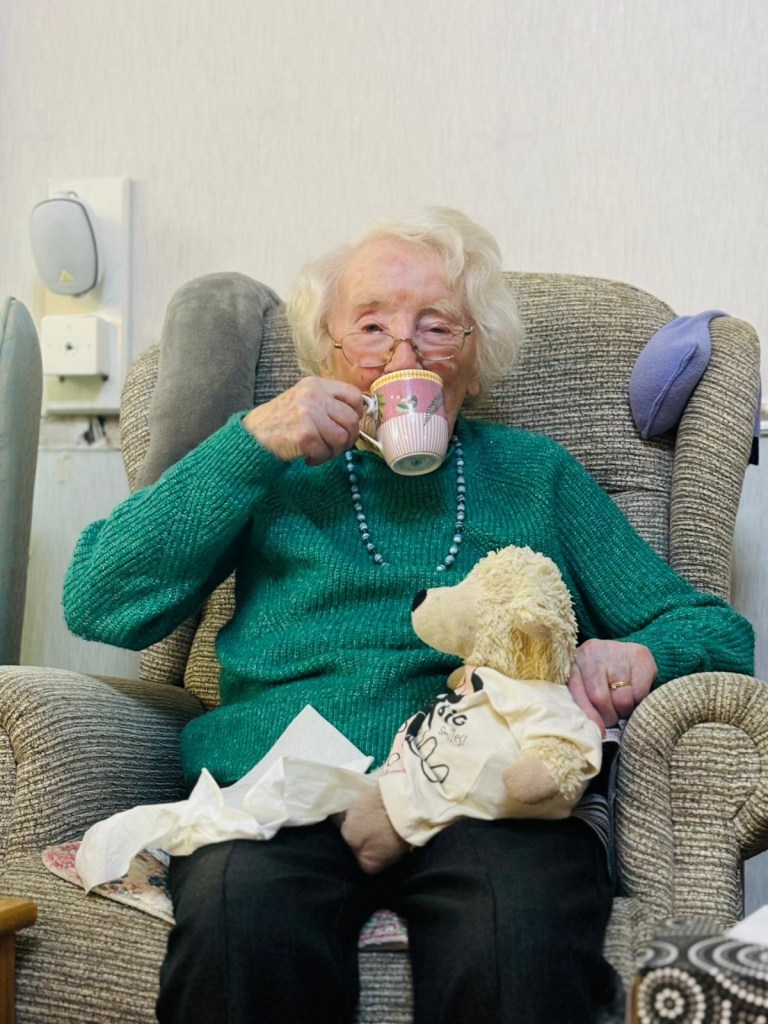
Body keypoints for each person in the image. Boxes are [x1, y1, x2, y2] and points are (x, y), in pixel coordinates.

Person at [63, 207, 754, 1024]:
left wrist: (641, 656)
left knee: (512, 936)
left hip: (488, 793)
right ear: (328, 351)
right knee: (241, 925)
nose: (403, 353)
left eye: (436, 327)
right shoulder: (270, 467)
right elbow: (98, 601)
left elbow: (712, 629)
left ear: (474, 361)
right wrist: (252, 442)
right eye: (371, 326)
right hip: (281, 792)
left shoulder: (535, 474)